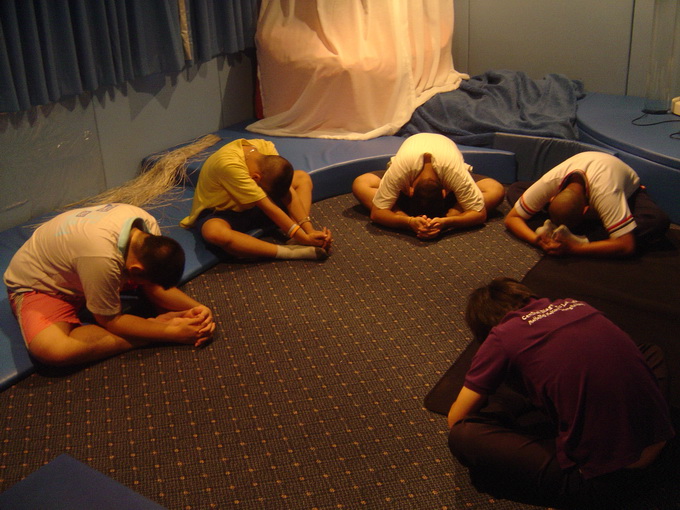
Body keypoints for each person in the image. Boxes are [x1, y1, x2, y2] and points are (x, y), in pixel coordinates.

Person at [447, 277, 674, 509]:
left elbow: (456, 418)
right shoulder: (577, 306)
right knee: (649, 352)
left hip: (606, 481)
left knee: (464, 435)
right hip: (663, 448)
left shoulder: (501, 336)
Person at [4, 203, 216, 367]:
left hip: (85, 267)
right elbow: (110, 321)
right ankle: (147, 333)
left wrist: (198, 308)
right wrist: (167, 332)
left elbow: (154, 285)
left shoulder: (146, 225)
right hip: (43, 285)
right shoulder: (101, 258)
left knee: (148, 283)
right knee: (51, 350)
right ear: (135, 271)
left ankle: (148, 328)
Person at [180, 138, 332, 260]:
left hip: (255, 207)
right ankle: (290, 252)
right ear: (255, 178)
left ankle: (297, 240)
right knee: (213, 232)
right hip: (224, 212)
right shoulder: (230, 166)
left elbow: (285, 191)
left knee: (302, 178)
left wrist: (309, 230)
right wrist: (304, 238)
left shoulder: (265, 147)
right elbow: (268, 207)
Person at [504, 151, 670, 257]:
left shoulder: (605, 192)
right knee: (516, 189)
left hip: (625, 192)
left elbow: (626, 246)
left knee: (656, 220)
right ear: (553, 197)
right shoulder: (550, 181)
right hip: (587, 193)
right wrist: (537, 240)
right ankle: (589, 231)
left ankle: (583, 237)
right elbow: (511, 218)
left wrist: (575, 248)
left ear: (586, 210)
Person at [352, 133, 505, 239]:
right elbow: (376, 214)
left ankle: (441, 216)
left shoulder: (455, 173)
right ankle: (407, 216)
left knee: (495, 189)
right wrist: (409, 222)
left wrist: (446, 222)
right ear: (409, 191)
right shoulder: (399, 172)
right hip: (405, 175)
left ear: (445, 193)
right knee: (361, 183)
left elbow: (480, 214)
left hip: (452, 178)